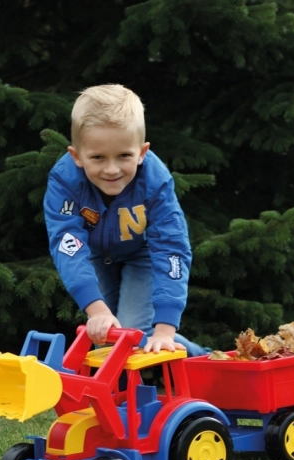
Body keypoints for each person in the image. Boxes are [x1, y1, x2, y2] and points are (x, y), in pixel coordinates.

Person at [43, 84, 207, 356]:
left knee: (134, 333)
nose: (111, 169)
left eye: (124, 156)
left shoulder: (155, 182)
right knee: (105, 336)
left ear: (142, 152)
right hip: (93, 254)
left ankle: (197, 358)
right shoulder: (65, 181)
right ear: (77, 156)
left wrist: (166, 328)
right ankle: (118, 397)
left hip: (141, 254)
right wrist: (96, 310)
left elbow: (171, 249)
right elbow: (66, 244)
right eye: (97, 157)